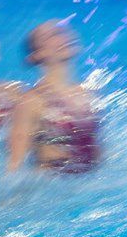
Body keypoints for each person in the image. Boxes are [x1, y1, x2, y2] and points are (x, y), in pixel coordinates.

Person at [8, 20, 100, 174]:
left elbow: (97, 150)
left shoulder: (87, 93)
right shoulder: (31, 102)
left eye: (65, 31)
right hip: (55, 186)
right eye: (54, 34)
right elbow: (15, 166)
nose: (65, 36)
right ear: (38, 54)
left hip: (91, 183)